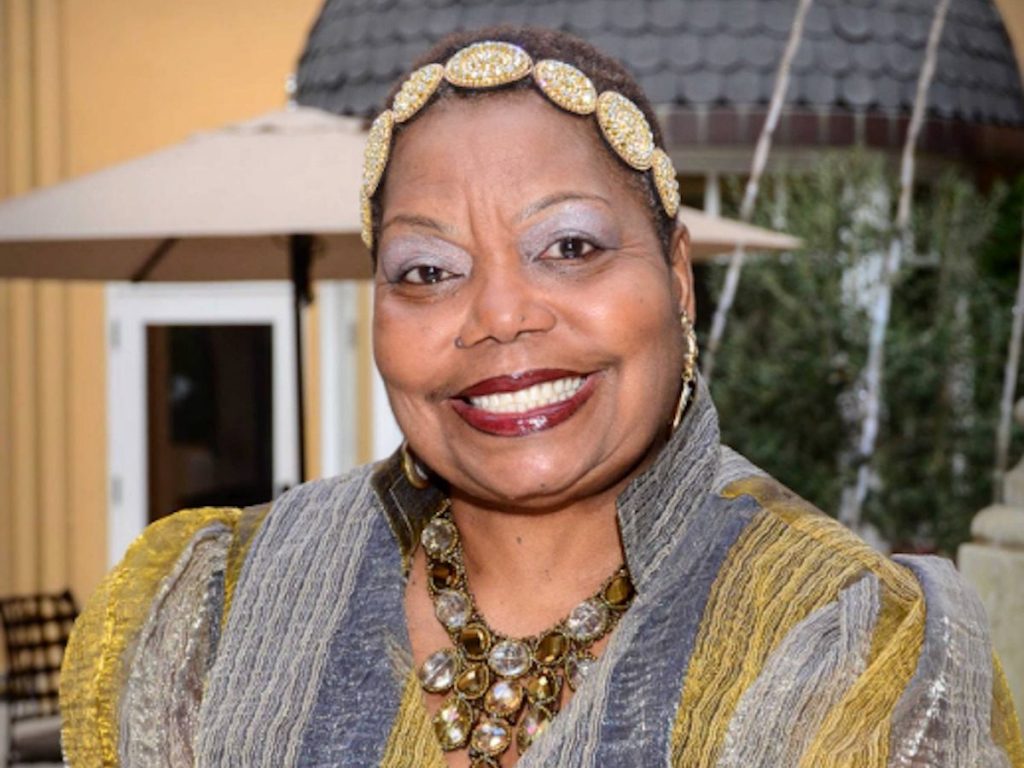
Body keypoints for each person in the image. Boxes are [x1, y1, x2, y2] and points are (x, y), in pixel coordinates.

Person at [60, 26, 1022, 768]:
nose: (499, 318)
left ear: (678, 279)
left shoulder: (849, 648)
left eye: (569, 247)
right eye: (427, 269)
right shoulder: (218, 620)